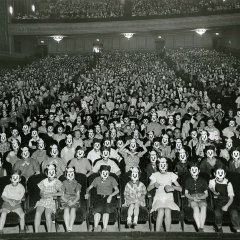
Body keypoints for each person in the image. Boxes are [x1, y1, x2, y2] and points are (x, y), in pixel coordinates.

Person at [147, 158, 182, 232]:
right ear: (158, 166)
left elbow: (180, 189)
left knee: (167, 211)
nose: (162, 166)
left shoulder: (171, 175)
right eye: (161, 165)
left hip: (168, 199)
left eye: (164, 164)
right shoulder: (155, 175)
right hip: (159, 198)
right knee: (161, 211)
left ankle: (168, 233)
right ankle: (157, 233)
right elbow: (148, 189)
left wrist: (172, 187)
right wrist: (154, 185)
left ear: (167, 165)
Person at [85, 165, 119, 232]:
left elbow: (117, 190)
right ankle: (95, 228)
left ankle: (104, 228)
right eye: (103, 172)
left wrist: (111, 196)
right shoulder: (97, 179)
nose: (105, 174)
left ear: (109, 173)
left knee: (106, 211)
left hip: (108, 197)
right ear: (100, 172)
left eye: (107, 172)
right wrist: (87, 193)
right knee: (97, 211)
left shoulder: (112, 179)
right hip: (99, 197)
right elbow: (89, 188)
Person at [209, 166, 240, 233]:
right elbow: (210, 186)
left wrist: (226, 206)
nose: (220, 174)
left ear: (225, 174)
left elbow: (231, 198)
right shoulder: (212, 181)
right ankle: (219, 228)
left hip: (229, 202)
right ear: (215, 174)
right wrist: (213, 191)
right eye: (218, 173)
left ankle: (238, 230)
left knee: (234, 214)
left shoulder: (228, 183)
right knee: (217, 214)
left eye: (222, 173)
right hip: (218, 202)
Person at [34, 164, 63, 233]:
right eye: (49, 172)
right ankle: (36, 232)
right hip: (43, 200)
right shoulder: (44, 181)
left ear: (55, 173)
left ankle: (49, 232)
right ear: (46, 174)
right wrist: (42, 195)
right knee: (38, 213)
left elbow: (61, 193)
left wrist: (51, 194)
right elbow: (40, 192)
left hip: (51, 201)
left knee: (47, 214)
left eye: (53, 172)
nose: (51, 174)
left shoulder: (57, 182)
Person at [185, 162, 208, 232]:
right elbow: (186, 193)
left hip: (202, 197)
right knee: (196, 208)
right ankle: (200, 229)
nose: (194, 171)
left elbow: (206, 194)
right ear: (190, 171)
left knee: (203, 208)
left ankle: (201, 227)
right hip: (192, 198)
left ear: (199, 171)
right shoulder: (188, 181)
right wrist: (192, 198)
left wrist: (200, 198)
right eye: (192, 169)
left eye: (196, 169)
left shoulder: (203, 180)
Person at [61, 167, 81, 232]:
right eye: (68, 174)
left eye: (72, 173)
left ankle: (70, 227)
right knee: (66, 209)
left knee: (73, 209)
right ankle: (67, 228)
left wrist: (73, 202)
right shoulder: (63, 183)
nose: (70, 175)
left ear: (74, 175)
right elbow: (61, 195)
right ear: (66, 175)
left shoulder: (77, 184)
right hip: (65, 200)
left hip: (74, 200)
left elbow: (78, 196)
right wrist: (67, 201)